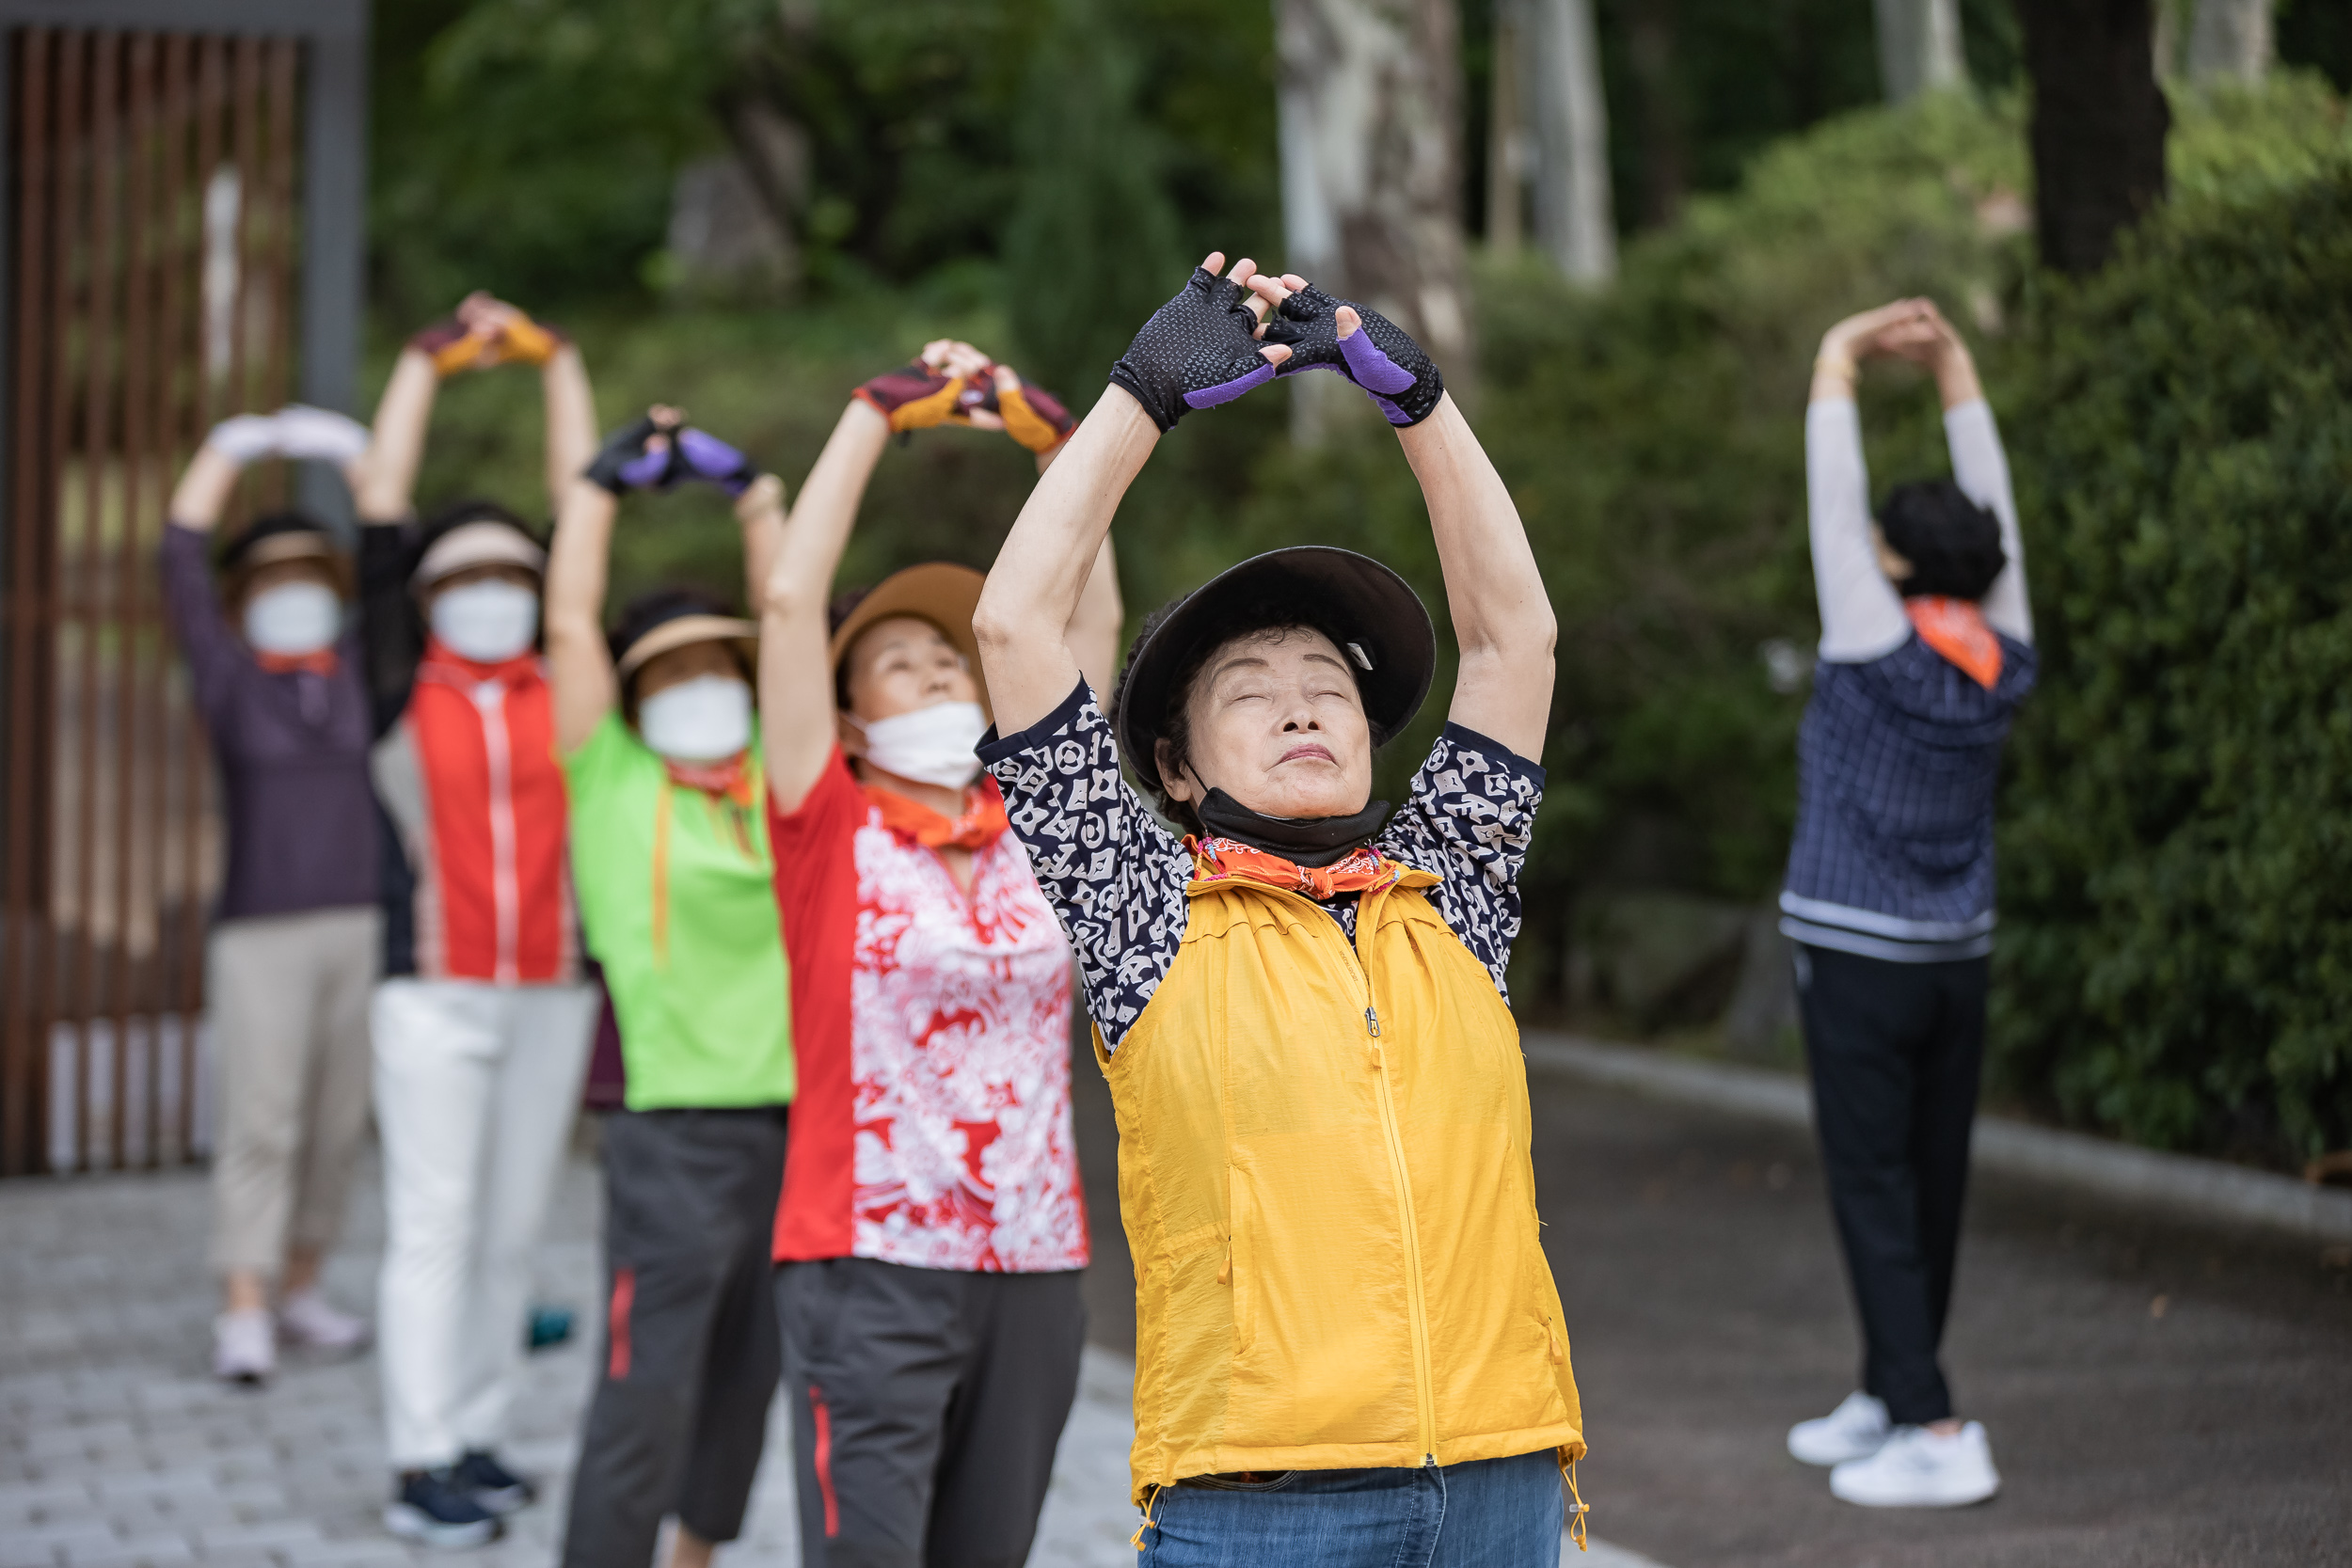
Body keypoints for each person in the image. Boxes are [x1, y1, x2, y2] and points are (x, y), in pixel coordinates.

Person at [970, 256, 1586, 1568]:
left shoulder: (1453, 893)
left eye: (1326, 681)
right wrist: (1140, 398)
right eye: (1250, 688)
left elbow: (1514, 638)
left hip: (1502, 1474)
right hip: (1261, 1497)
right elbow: (1014, 622)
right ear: (1180, 771)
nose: (1303, 701)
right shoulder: (1143, 909)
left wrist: (1423, 405)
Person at [758, 340, 1109, 1568]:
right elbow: (792, 602)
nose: (937, 669)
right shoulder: (826, 821)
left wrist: (1061, 445)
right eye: (900, 659)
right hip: (869, 1264)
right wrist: (877, 412)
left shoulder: (1040, 819)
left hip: (1033, 1259)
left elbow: (1091, 615)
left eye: (952, 655)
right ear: (850, 714)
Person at [354, 293, 603, 1547]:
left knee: (512, 1230)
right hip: (432, 991)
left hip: (553, 986)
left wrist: (556, 360)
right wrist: (426, 363)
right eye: (470, 578)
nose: (497, 592)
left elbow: (584, 503)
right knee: (433, 1225)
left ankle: (478, 1434)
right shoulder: (399, 681)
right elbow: (383, 504)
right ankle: (416, 1456)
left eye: (518, 573)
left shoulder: (567, 678)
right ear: (426, 596)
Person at [1776, 298, 2032, 1509]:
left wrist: (1837, 361)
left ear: (1890, 559)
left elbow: (1835, 499)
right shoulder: (2001, 648)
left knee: (1873, 1181)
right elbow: (2002, 532)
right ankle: (1892, 1385)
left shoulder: (1871, 636)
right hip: (1955, 953)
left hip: (1855, 950)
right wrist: (1955, 374)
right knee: (1929, 1176)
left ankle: (1933, 1422)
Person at [545, 407, 795, 1568]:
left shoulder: (779, 774)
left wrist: (753, 496)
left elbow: (792, 620)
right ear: (638, 695)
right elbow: (565, 618)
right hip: (672, 1131)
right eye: (671, 670)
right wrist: (600, 488)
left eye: (717, 663)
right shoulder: (611, 777)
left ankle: (697, 1555)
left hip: (805, 1126)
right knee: (645, 1387)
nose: (699, 682)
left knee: (751, 1375)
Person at [161, 404, 380, 1386]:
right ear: (245, 600)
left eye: (310, 579)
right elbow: (178, 554)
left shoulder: (364, 675)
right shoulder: (229, 678)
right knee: (262, 1117)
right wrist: (232, 449)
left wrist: (353, 455)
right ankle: (242, 1302)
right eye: (274, 582)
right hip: (261, 927)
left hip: (364, 919)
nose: (295, 595)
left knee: (338, 1122)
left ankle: (300, 1285)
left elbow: (387, 548)